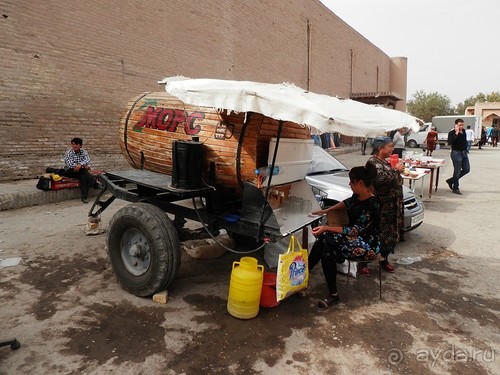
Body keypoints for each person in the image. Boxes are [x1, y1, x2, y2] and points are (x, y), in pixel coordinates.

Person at [308, 165, 381, 310]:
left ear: (359, 183)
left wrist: (326, 227)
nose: (349, 185)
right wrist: (326, 210)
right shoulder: (358, 196)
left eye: (351, 182)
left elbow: (354, 230)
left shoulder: (373, 204)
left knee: (325, 237)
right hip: (352, 240)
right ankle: (331, 294)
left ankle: (305, 277)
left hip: (368, 244)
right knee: (326, 253)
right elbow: (346, 203)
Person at [364, 136, 404, 274]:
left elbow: (393, 179)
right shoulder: (372, 163)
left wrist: (397, 171)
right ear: (381, 148)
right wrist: (396, 171)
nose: (392, 149)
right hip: (381, 206)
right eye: (390, 146)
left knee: (389, 236)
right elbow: (380, 180)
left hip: (391, 206)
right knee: (376, 234)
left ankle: (384, 260)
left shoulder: (385, 162)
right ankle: (364, 262)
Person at [61, 137, 99, 203]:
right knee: (83, 171)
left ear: (80, 145)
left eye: (77, 144)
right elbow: (70, 165)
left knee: (83, 177)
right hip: (71, 171)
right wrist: (83, 166)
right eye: (73, 144)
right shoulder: (69, 153)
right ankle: (94, 184)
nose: (74, 146)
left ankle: (84, 197)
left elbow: (87, 160)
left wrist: (80, 165)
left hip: (80, 171)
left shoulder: (83, 152)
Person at [446, 119, 470, 195]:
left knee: (466, 169)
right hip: (456, 153)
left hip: (464, 153)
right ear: (456, 125)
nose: (461, 126)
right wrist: (456, 132)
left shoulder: (464, 132)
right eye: (460, 125)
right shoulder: (452, 133)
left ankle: (451, 180)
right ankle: (455, 188)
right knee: (457, 171)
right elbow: (450, 142)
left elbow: (464, 141)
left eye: (462, 125)